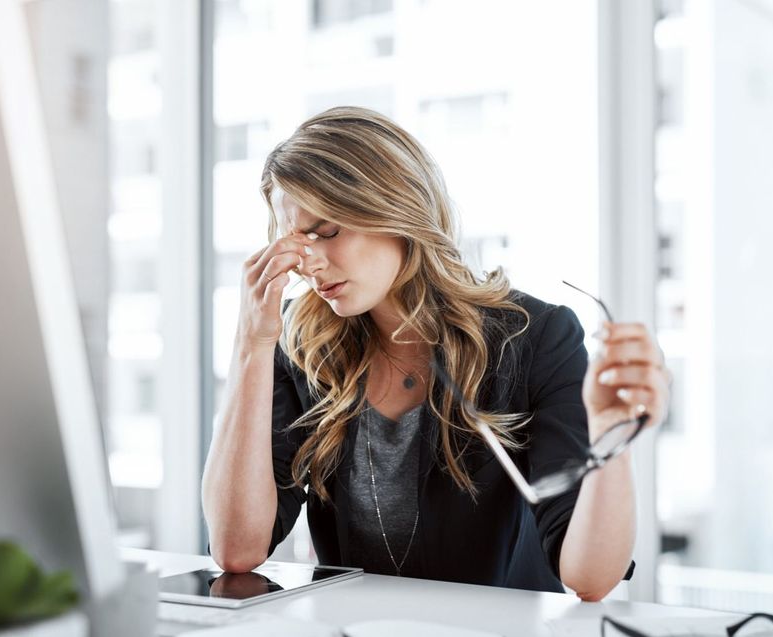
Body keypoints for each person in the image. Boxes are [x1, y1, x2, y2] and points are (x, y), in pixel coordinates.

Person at [201, 106, 670, 600]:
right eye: (298, 240)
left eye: (329, 231)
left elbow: (591, 579)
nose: (310, 264)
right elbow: (236, 549)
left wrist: (612, 439)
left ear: (395, 209)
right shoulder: (300, 345)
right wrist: (250, 346)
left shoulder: (535, 338)